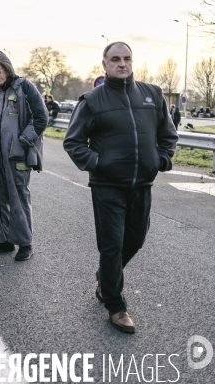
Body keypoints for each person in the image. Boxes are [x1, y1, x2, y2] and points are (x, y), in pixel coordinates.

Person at [63, 42, 178, 334]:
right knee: (111, 245)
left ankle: (105, 276)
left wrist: (162, 159)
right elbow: (73, 142)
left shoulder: (152, 95)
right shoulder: (92, 100)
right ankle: (115, 305)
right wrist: (99, 163)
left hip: (142, 183)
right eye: (115, 59)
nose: (122, 64)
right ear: (104, 64)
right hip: (107, 186)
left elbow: (168, 134)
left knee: (136, 239)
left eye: (127, 58)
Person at [0, 50, 48, 261]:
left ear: (6, 68)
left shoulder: (24, 87)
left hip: (15, 155)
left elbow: (41, 117)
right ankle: (5, 239)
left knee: (18, 197)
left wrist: (23, 141)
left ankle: (25, 244)